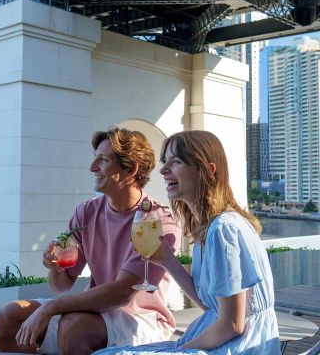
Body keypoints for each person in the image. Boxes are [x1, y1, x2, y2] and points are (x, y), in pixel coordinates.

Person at [0, 126, 182, 354]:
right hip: (96, 312)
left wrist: (50, 309)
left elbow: (120, 293)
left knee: (74, 327)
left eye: (102, 161)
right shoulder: (86, 212)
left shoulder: (156, 221)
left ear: (131, 169)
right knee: (8, 316)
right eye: (95, 159)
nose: (92, 168)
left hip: (143, 320)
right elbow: (61, 285)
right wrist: (55, 267)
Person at [94, 130, 281, 355]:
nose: (163, 170)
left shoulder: (224, 229)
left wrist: (177, 350)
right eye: (165, 162)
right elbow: (211, 307)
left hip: (239, 347)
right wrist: (167, 261)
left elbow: (232, 325)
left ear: (207, 171)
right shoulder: (211, 227)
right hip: (225, 339)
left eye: (176, 162)